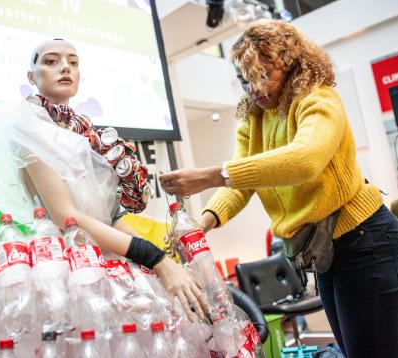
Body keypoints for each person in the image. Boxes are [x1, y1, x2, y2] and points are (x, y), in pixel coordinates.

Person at [159, 20, 398, 357]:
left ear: (289, 66)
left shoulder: (319, 99)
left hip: (364, 240)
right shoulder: (254, 119)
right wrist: (201, 226)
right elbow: (241, 183)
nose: (254, 89)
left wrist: (210, 175)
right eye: (245, 81)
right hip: (328, 250)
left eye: (262, 76)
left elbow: (305, 159)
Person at [0, 39, 208, 321]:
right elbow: (66, 216)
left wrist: (161, 262)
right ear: (32, 77)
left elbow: (110, 217)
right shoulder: (29, 129)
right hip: (68, 264)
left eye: (73, 62)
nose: (65, 67)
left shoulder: (83, 131)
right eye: (51, 61)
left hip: (110, 258)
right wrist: (154, 258)